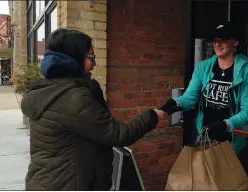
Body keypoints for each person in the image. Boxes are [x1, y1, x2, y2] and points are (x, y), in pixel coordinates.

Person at [21, 29, 166, 190]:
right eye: (91, 57)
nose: (95, 63)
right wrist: (152, 115)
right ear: (73, 57)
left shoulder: (49, 90)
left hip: (45, 182)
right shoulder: (73, 98)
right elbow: (119, 134)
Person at [160, 22, 248, 154]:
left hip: (231, 140)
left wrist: (225, 125)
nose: (217, 44)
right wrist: (174, 104)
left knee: (227, 174)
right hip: (205, 136)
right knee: (203, 173)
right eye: (215, 40)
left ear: (235, 42)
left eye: (223, 40)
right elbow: (190, 97)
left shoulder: (247, 71)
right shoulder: (203, 67)